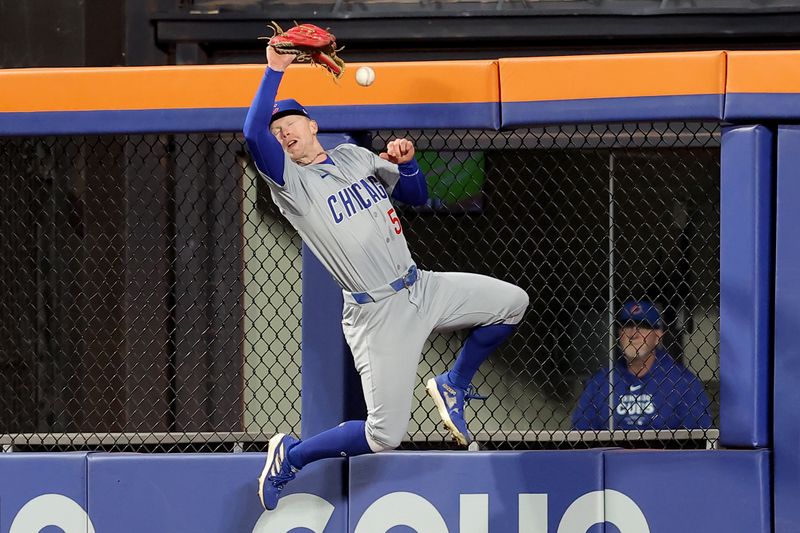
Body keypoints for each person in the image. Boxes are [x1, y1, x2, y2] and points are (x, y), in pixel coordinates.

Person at [243, 46, 529, 511]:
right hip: (377, 312)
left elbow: (417, 195)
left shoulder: (355, 156)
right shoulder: (290, 185)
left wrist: (409, 160)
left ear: (312, 124)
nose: (284, 133)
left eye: (291, 122)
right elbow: (253, 135)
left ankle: (455, 382)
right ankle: (291, 455)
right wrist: (275, 69)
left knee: (512, 303)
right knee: (384, 434)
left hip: (421, 286)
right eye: (278, 131)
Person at [572, 300, 712, 431]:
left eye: (643, 326)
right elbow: (579, 434)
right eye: (627, 326)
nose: (633, 334)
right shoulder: (601, 382)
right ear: (619, 334)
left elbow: (701, 438)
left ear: (658, 336)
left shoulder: (682, 382)